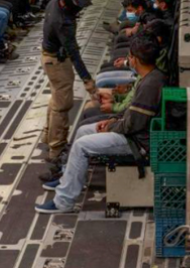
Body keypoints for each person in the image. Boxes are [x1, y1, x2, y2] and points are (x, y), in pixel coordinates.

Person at [35, 34, 166, 213]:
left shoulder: (150, 85)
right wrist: (113, 120)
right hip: (132, 131)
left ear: (134, 59)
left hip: (137, 142)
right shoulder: (150, 76)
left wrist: (111, 125)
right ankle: (69, 179)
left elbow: (132, 125)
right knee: (83, 131)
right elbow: (131, 116)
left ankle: (63, 202)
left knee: (81, 146)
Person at [41, 0, 98, 169]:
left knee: (56, 97)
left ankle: (47, 135)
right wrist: (88, 81)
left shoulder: (55, 1)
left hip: (50, 57)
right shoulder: (63, 22)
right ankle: (56, 150)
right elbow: (73, 53)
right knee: (63, 104)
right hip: (57, 61)